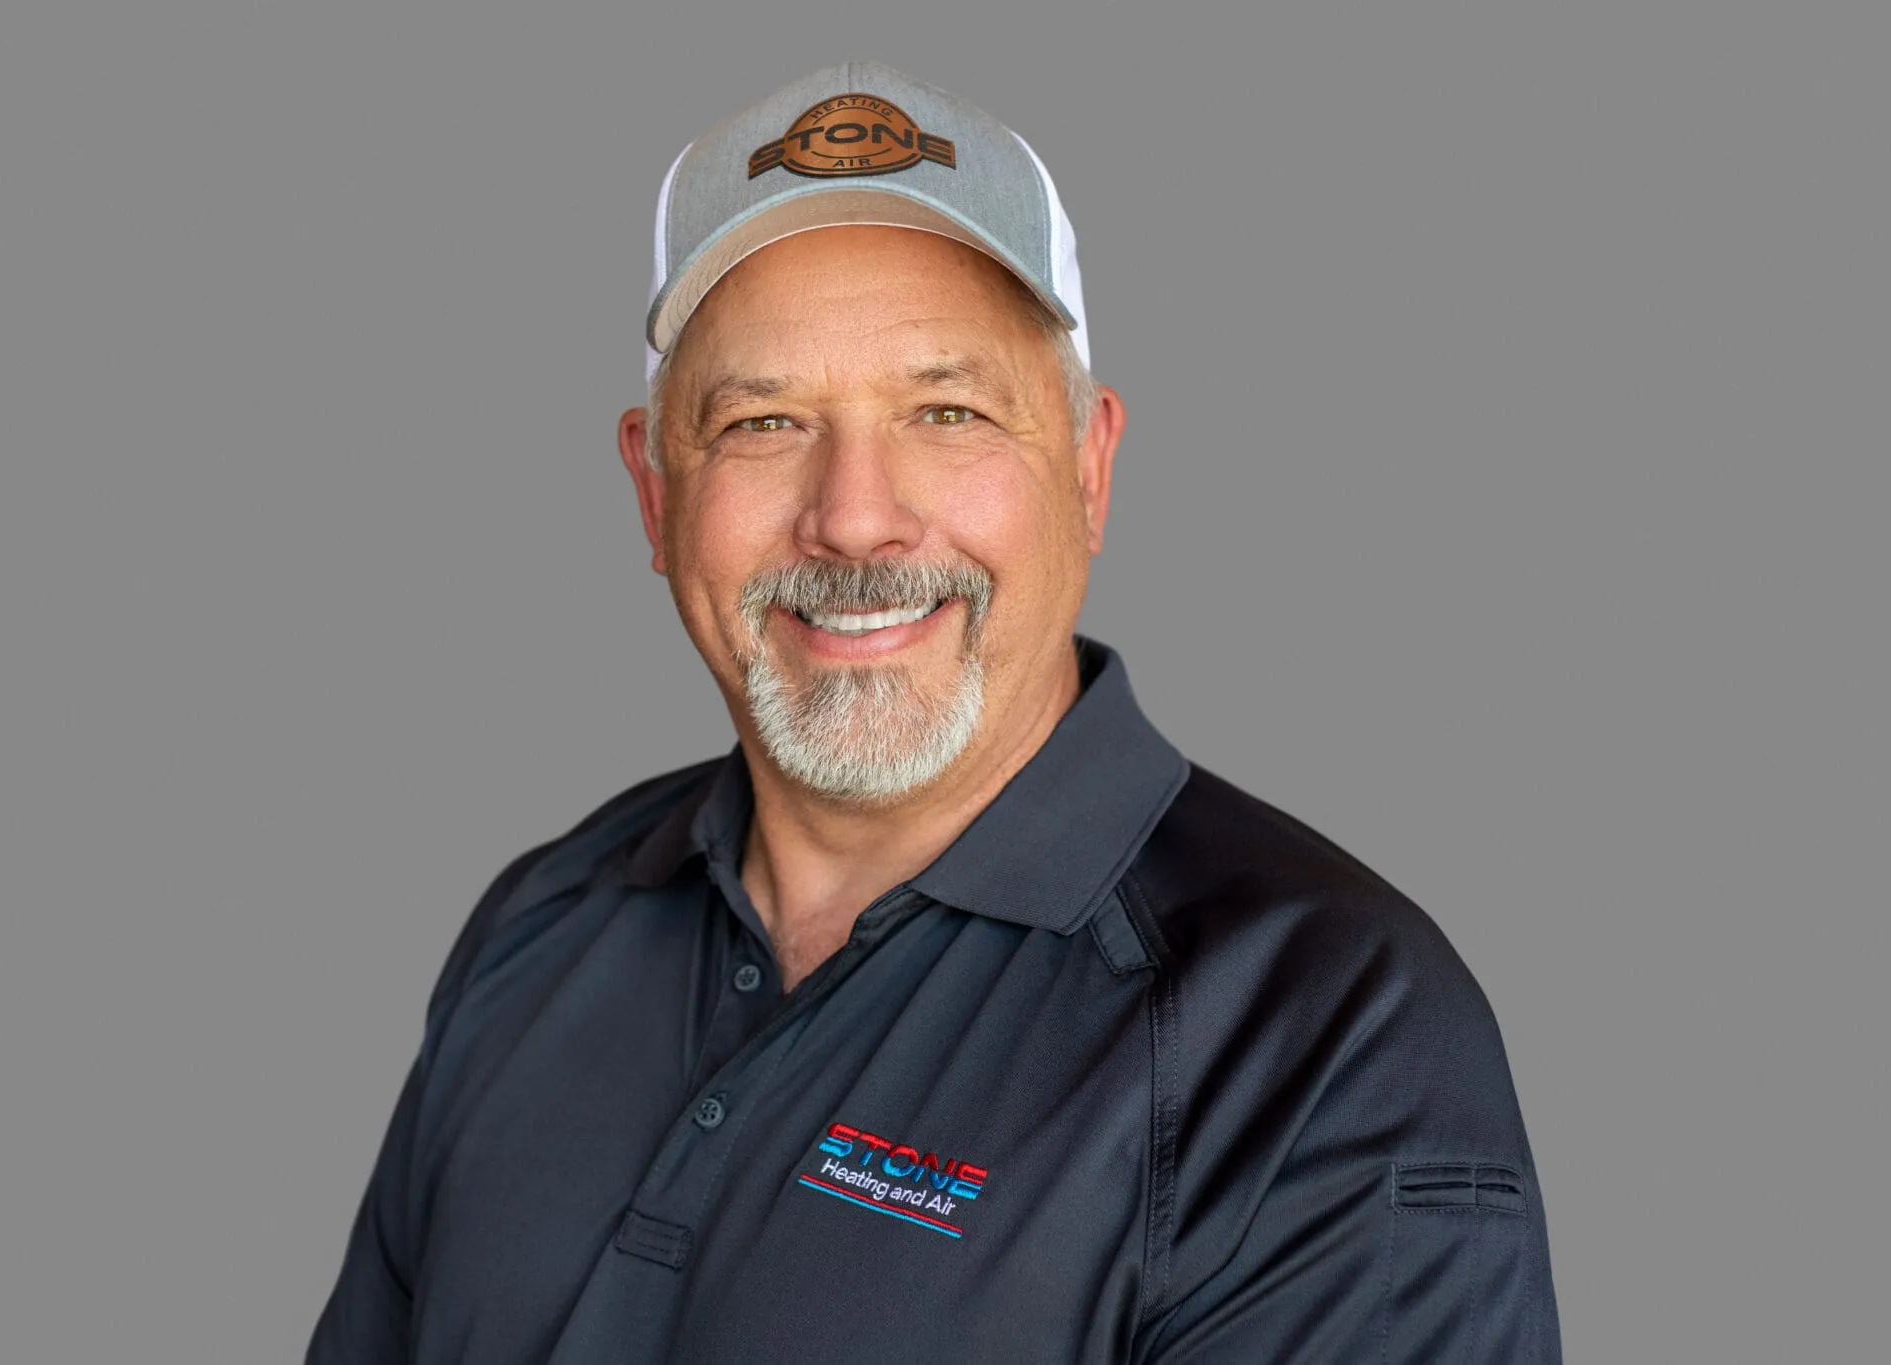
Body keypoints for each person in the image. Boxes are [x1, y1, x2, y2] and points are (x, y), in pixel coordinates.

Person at [307, 61, 1560, 1363]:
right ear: (654, 491)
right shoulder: (539, 931)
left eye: (947, 412)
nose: (854, 514)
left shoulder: (1321, 1032)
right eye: (764, 420)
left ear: (1088, 467)